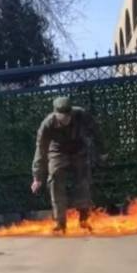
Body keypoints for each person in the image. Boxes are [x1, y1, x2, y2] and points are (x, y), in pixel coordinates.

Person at [31, 96, 107, 233]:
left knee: (83, 180)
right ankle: (60, 223)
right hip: (57, 151)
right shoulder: (47, 124)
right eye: (62, 117)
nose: (65, 120)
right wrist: (37, 177)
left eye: (68, 116)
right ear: (55, 114)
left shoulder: (81, 114)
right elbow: (40, 150)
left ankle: (84, 220)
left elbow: (95, 131)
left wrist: (102, 151)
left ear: (71, 112)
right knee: (54, 178)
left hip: (78, 149)